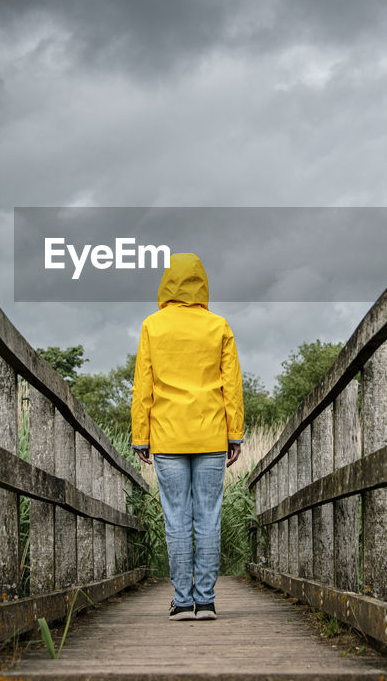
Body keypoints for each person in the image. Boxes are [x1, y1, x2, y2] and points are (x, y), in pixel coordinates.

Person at [130, 252, 243, 621]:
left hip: (167, 436)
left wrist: (140, 436)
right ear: (201, 282)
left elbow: (143, 385)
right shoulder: (219, 326)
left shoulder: (153, 325)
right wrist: (235, 434)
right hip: (211, 435)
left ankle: (181, 602)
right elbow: (233, 385)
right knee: (207, 516)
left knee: (176, 517)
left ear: (167, 282)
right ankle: (206, 600)